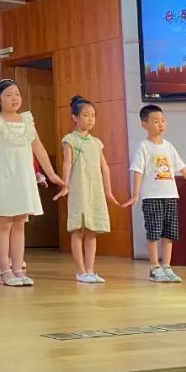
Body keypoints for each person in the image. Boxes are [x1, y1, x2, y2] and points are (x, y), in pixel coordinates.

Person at [0, 79, 65, 286]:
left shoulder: (27, 119)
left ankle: (18, 270)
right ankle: (5, 270)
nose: (14, 98)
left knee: (19, 224)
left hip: (22, 178)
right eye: (8, 95)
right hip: (2, 178)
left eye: (17, 94)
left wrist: (52, 174)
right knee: (3, 224)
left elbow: (39, 149)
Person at [124, 104, 186, 283]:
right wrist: (135, 194)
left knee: (169, 234)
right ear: (144, 124)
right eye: (156, 121)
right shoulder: (143, 147)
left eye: (163, 120)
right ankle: (154, 268)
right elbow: (138, 171)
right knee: (153, 233)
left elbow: (183, 168)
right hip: (152, 197)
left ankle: (166, 266)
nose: (161, 124)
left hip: (170, 196)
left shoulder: (169, 147)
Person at [60, 95, 121, 284]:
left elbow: (105, 168)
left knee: (92, 230)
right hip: (79, 189)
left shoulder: (97, 143)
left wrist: (108, 191)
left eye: (93, 115)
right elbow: (67, 163)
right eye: (86, 115)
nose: (90, 119)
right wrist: (64, 185)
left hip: (95, 190)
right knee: (78, 229)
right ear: (75, 117)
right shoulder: (70, 140)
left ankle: (90, 270)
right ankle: (80, 272)